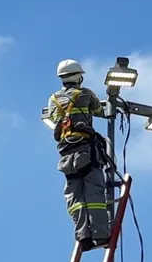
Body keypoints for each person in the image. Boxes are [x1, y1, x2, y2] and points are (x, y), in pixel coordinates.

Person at [47, 59, 111, 252]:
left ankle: (83, 237)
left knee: (75, 198)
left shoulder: (53, 100)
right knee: (94, 193)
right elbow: (101, 111)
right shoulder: (85, 94)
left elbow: (53, 120)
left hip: (66, 154)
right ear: (79, 76)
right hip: (86, 151)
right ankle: (100, 236)